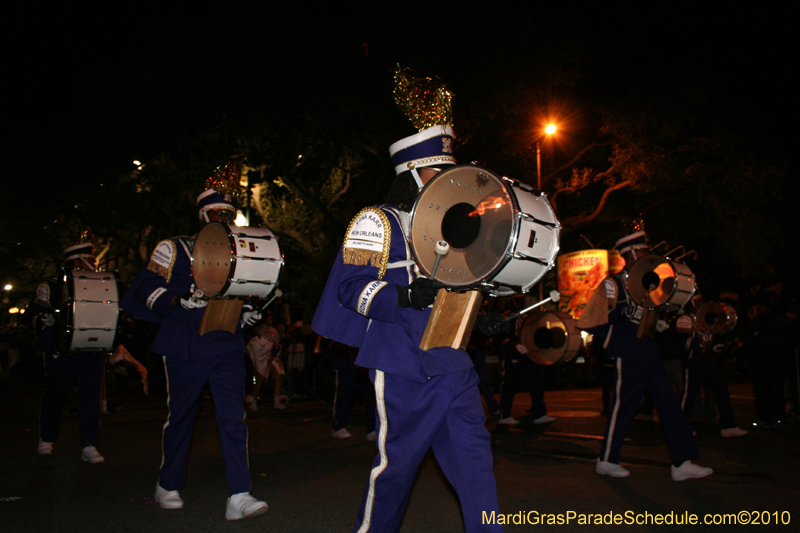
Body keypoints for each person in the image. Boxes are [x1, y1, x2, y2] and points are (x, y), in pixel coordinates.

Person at [312, 121, 503, 532]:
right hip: (402, 363)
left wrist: (479, 314)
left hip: (454, 362)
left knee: (475, 467)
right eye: (438, 172)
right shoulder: (375, 222)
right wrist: (402, 295)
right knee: (395, 471)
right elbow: (351, 288)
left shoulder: (456, 227)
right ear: (413, 174)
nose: (448, 181)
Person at [121, 178, 268, 521]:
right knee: (182, 416)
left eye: (229, 214)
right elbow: (144, 289)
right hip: (186, 343)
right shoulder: (174, 248)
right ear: (203, 214)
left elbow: (241, 293)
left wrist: (248, 313)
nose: (224, 219)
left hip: (226, 343)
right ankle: (168, 483)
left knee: (234, 419)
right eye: (217, 213)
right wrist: (177, 300)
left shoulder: (240, 252)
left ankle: (239, 494)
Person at [579, 229, 713, 481]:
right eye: (641, 251)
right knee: (623, 406)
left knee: (669, 403)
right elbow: (599, 317)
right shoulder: (614, 283)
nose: (647, 255)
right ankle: (607, 459)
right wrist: (620, 322)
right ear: (629, 253)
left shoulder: (649, 281)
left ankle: (681, 461)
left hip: (648, 349)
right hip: (628, 349)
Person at [27, 236, 106, 463]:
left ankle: (89, 444)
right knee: (55, 394)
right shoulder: (51, 286)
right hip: (60, 350)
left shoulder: (100, 284)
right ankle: (46, 438)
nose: (91, 262)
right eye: (88, 259)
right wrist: (44, 321)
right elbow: (31, 316)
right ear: (76, 261)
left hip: (91, 348)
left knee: (90, 396)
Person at [675, 300, 748, 437]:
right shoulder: (686, 320)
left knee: (721, 390)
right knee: (688, 396)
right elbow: (683, 343)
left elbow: (708, 339)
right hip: (693, 363)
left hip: (706, 361)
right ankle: (679, 427)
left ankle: (728, 425)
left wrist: (713, 348)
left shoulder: (705, 318)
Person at [496, 321, 555, 426]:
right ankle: (504, 416)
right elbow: (499, 336)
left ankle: (540, 413)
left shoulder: (528, 317)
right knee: (509, 386)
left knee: (536, 384)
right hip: (512, 356)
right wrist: (515, 345)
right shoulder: (507, 318)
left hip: (528, 356)